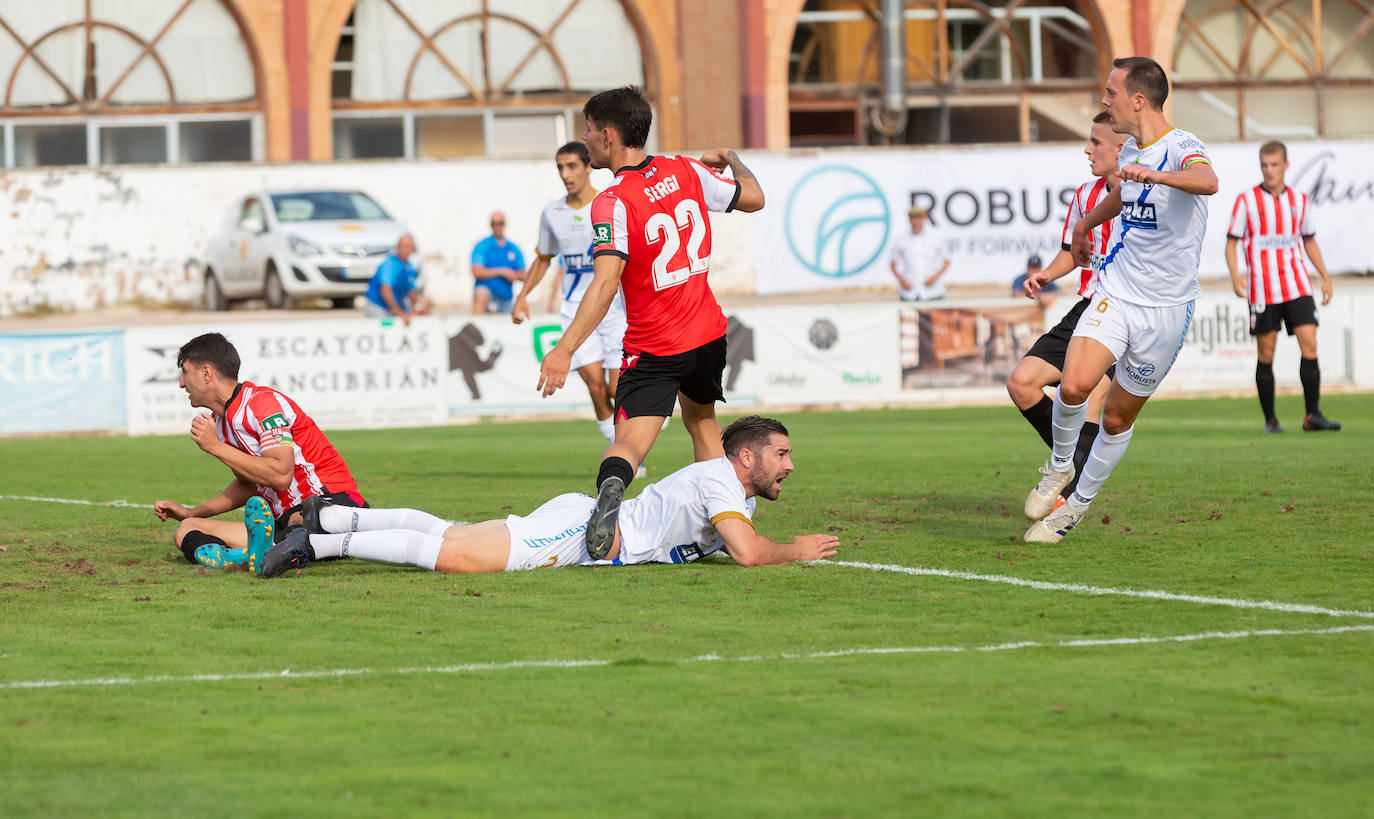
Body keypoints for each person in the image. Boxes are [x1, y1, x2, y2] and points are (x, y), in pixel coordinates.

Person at [534, 85, 765, 560]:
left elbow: (604, 284)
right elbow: (755, 198)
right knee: (702, 423)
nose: (585, 138)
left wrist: (564, 349)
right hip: (708, 334)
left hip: (655, 344)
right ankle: (722, 524)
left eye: (588, 130)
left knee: (630, 443)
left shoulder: (612, 201)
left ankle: (613, 492)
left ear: (608, 135)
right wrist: (732, 158)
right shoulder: (686, 170)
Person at [1022, 56, 1218, 544]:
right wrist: (1086, 224)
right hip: (1117, 292)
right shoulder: (1130, 148)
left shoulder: (1182, 146)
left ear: (1137, 99)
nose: (1104, 99)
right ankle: (1059, 466)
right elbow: (1123, 193)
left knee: (1115, 418)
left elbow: (1208, 182)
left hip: (1168, 310)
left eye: (1111, 92)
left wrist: (1158, 177)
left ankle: (1076, 508)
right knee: (1073, 386)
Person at [256, 416, 839, 577]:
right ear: (746, 457)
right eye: (781, 454)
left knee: (455, 537)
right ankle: (324, 543)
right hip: (591, 535)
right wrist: (797, 549)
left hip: (590, 525)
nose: (789, 465)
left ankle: (331, 515)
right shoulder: (720, 480)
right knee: (459, 556)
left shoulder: (737, 492)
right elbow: (747, 552)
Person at [151, 332, 367, 574]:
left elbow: (280, 476)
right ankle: (258, 554)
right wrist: (191, 512)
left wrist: (215, 448)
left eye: (185, 372)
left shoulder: (263, 404)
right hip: (285, 520)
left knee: (298, 523)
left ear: (206, 373)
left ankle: (278, 549)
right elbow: (250, 485)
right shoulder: (220, 424)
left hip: (327, 503)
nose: (181, 383)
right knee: (186, 530)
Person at [1008, 111, 1126, 503]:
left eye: (1096, 142)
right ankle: (1071, 462)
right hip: (1086, 307)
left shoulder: (1147, 196)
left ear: (1121, 148)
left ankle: (1068, 503)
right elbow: (1072, 254)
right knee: (1022, 382)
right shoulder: (1084, 195)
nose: (1087, 149)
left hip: (1124, 314)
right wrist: (1044, 276)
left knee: (1088, 394)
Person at [512, 141, 627, 448]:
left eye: (572, 166)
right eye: (560, 167)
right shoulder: (552, 212)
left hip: (614, 305)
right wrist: (523, 295)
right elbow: (544, 257)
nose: (565, 174)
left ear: (589, 166)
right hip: (576, 307)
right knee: (595, 387)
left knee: (619, 388)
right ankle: (622, 453)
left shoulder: (609, 203)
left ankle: (634, 438)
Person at [1224, 140, 1340, 433]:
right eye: (1264, 165)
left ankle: (1312, 415)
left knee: (1310, 344)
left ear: (1286, 165)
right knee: (1266, 352)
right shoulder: (1246, 200)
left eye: (1275, 165)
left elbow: (1309, 239)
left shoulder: (1299, 200)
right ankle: (1271, 420)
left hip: (1297, 283)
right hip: (1262, 288)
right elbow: (1232, 242)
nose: (1269, 170)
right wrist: (1236, 273)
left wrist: (1324, 275)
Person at [362, 234, 431, 325]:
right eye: (402, 246)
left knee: (424, 305)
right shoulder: (390, 264)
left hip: (395, 306)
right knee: (388, 326)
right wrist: (400, 314)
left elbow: (412, 293)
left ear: (412, 249)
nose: (405, 249)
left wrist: (419, 306)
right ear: (397, 248)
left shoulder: (409, 267)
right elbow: (386, 293)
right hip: (378, 305)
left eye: (408, 246)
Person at [890, 206, 950, 301]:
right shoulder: (901, 238)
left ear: (924, 219)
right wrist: (902, 280)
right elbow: (893, 263)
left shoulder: (936, 236)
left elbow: (947, 260)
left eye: (918, 218)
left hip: (933, 292)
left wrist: (935, 277)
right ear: (909, 220)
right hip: (909, 292)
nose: (915, 221)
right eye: (913, 218)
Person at [470, 211, 525, 314]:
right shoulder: (483, 246)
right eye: (494, 223)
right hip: (489, 295)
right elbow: (476, 271)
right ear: (490, 225)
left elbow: (523, 274)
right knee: (481, 293)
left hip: (505, 297)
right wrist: (502, 272)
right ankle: (477, 323)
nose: (497, 226)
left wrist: (514, 275)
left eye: (500, 223)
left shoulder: (513, 248)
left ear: (505, 224)